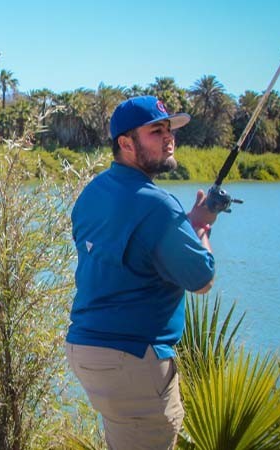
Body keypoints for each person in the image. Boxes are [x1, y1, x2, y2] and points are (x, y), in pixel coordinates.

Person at [66, 96, 217, 450]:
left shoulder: (92, 194)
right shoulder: (159, 207)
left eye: (169, 130)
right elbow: (202, 279)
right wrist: (202, 232)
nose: (169, 138)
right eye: (156, 131)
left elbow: (128, 251)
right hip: (132, 359)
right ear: (125, 143)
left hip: (86, 350)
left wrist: (184, 227)